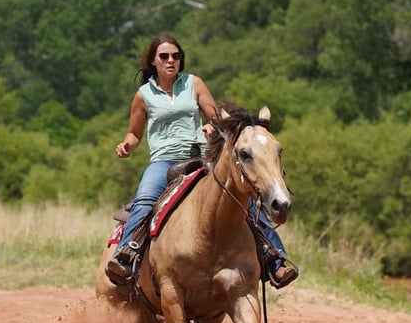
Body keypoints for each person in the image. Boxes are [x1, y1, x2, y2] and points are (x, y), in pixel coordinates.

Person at [105, 34, 298, 289]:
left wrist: (211, 126)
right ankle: (126, 255)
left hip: (200, 156)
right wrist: (127, 145)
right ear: (154, 61)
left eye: (175, 56)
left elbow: (215, 116)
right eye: (164, 56)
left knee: (243, 195)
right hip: (163, 160)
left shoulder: (193, 84)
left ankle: (275, 258)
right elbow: (134, 133)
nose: (171, 60)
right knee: (145, 199)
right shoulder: (144, 95)